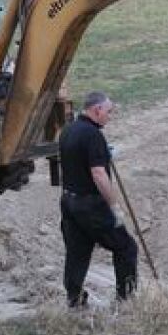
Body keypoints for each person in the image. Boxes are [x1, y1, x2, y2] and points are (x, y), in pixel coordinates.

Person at [58, 91, 138, 308]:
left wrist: (103, 153)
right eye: (108, 112)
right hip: (90, 205)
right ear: (97, 110)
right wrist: (114, 207)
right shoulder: (93, 135)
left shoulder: (68, 130)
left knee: (77, 252)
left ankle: (74, 300)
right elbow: (98, 174)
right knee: (126, 248)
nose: (109, 116)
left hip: (69, 201)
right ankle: (126, 301)